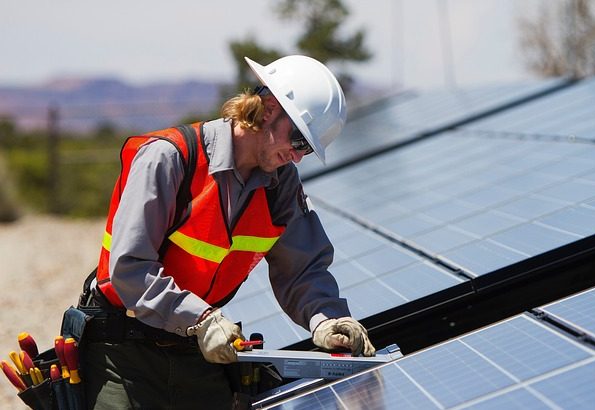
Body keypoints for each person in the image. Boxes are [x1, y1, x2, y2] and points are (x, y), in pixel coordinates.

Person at [76, 55, 375, 409]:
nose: (296, 157)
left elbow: (302, 270)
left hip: (198, 352)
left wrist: (328, 318)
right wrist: (199, 319)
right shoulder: (170, 159)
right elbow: (130, 268)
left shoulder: (280, 185)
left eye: (306, 149)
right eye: (297, 140)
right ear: (266, 109)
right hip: (124, 352)